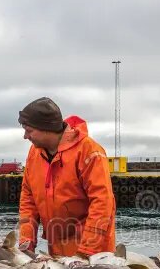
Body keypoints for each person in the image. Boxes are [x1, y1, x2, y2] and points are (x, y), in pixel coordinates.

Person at [17, 97, 116, 257]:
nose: (25, 136)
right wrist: (26, 240)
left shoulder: (89, 151)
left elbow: (102, 203)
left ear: (45, 128)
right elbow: (28, 200)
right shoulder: (34, 153)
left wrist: (86, 252)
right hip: (57, 251)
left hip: (94, 253)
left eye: (29, 130)